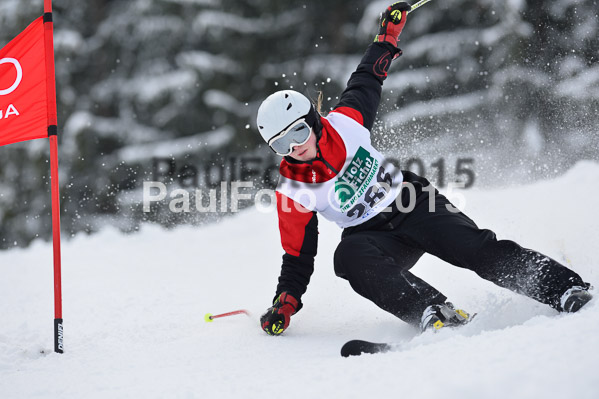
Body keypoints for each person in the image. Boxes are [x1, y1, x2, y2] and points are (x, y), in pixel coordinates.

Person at [256, 2, 592, 336]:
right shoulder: (294, 191)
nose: (295, 147)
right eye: (281, 145)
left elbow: (368, 76)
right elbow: (298, 256)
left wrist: (388, 33)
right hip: (371, 236)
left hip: (413, 204)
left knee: (474, 248)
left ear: (313, 121)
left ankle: (560, 287)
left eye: (298, 132)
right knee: (347, 257)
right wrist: (285, 303)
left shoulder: (346, 122)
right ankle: (431, 309)